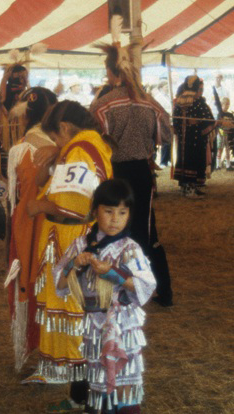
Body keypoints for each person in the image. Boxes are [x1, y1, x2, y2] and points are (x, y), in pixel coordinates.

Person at [54, 179, 156, 414]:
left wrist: (112, 273)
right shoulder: (82, 243)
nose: (115, 220)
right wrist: (76, 264)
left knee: (123, 385)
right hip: (95, 326)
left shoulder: (129, 249)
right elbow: (60, 283)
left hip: (121, 328)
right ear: (95, 210)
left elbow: (146, 287)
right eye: (109, 211)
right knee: (102, 386)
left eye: (122, 213)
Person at [25, 100, 113, 414]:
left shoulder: (80, 149)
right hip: (69, 246)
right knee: (77, 325)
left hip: (76, 246)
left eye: (56, 139)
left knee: (84, 328)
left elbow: (76, 205)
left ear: (64, 128)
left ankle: (94, 408)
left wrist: (39, 205)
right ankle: (78, 398)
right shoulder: (83, 147)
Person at [91, 43, 173, 307]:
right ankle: (162, 291)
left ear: (109, 71)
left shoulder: (103, 104)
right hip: (142, 171)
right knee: (146, 230)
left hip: (115, 173)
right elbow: (168, 132)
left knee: (113, 227)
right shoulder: (149, 103)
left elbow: (92, 139)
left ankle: (119, 290)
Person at [5, 87, 57, 372]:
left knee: (29, 279)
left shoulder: (19, 150)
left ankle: (35, 349)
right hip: (58, 229)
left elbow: (11, 199)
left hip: (27, 227)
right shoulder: (63, 146)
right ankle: (57, 350)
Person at [173, 75, 216, 197]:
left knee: (184, 160)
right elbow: (210, 121)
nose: (200, 92)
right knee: (193, 161)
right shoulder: (199, 103)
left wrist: (184, 124)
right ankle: (190, 189)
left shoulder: (179, 102)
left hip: (183, 140)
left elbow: (175, 124)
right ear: (196, 89)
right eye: (199, 89)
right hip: (196, 140)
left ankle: (185, 187)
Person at [0, 61, 29, 180]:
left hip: (13, 149)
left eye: (23, 78)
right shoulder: (0, 100)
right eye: (20, 78)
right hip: (11, 149)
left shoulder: (26, 98)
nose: (22, 81)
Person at [215, 97, 234, 171]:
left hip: (228, 134)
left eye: (228, 104)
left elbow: (232, 124)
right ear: (222, 104)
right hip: (221, 134)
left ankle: (228, 165)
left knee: (228, 150)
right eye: (226, 104)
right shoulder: (220, 114)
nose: (227, 106)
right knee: (220, 149)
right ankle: (218, 165)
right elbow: (218, 124)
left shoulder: (230, 115)